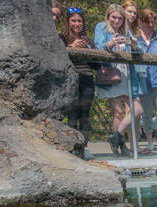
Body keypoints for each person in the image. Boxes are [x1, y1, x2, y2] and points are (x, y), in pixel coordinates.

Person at [94, 4, 145, 156]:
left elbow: (139, 49)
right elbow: (97, 47)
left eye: (120, 18)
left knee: (137, 109)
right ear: (108, 16)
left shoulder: (126, 30)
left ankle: (116, 136)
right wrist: (110, 44)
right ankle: (119, 147)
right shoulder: (101, 28)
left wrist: (135, 46)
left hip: (127, 75)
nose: (116, 21)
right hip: (112, 74)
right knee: (118, 113)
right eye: (114, 17)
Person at [60, 7, 96, 159]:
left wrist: (87, 50)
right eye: (74, 20)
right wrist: (71, 48)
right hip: (70, 80)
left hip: (87, 79)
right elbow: (57, 58)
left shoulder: (89, 40)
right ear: (68, 22)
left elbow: (97, 65)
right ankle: (72, 146)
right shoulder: (61, 38)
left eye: (79, 21)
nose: (77, 24)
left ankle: (84, 147)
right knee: (72, 114)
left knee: (85, 115)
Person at [136, 8, 157, 152]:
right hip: (143, 82)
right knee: (147, 113)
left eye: (152, 22)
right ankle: (149, 141)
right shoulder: (136, 39)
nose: (150, 25)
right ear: (141, 22)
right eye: (147, 22)